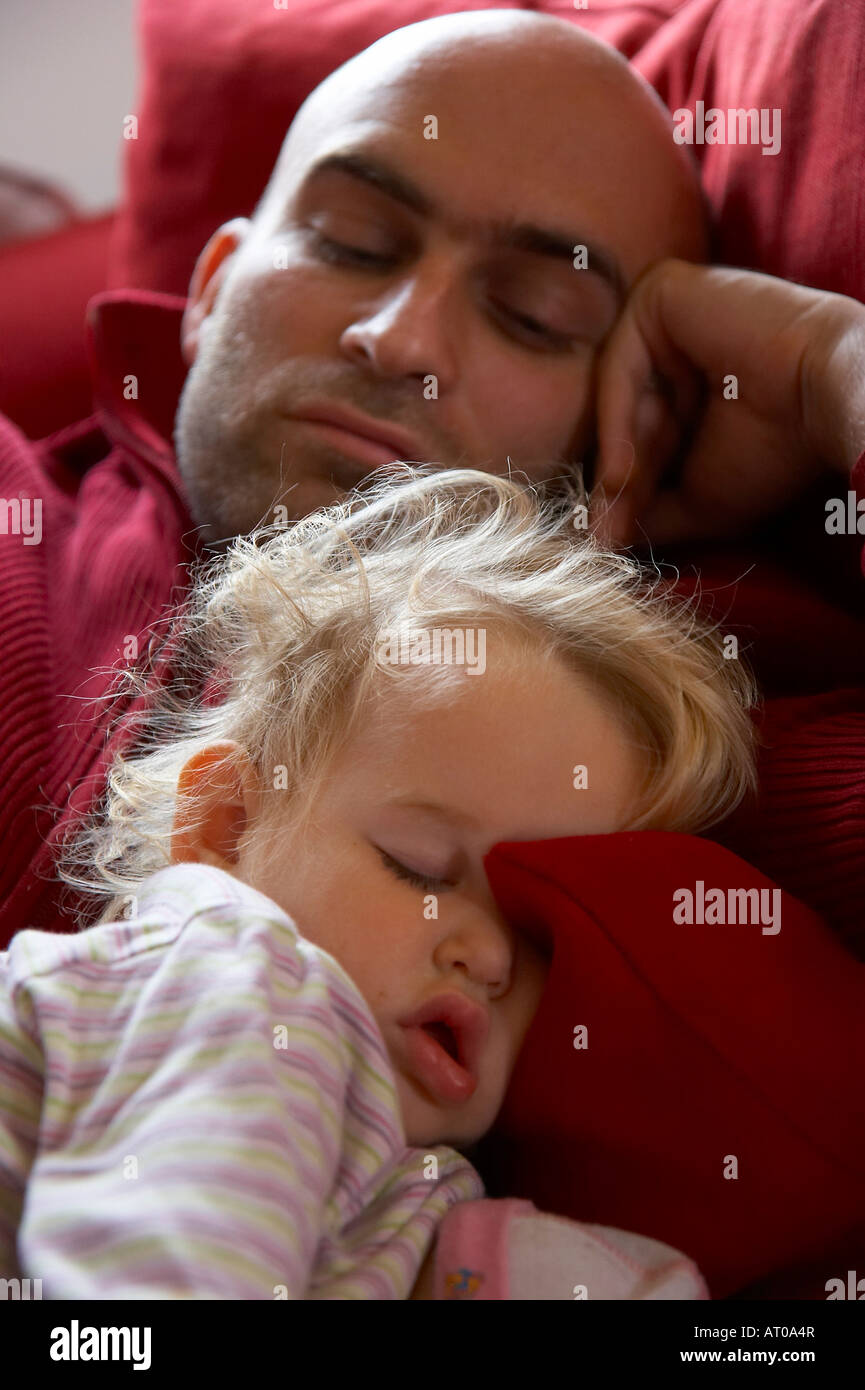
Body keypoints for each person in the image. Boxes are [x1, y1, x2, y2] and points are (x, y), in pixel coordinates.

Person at [1, 10, 863, 951]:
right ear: (211, 290)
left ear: (640, 418)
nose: (403, 339)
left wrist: (833, 364)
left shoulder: (693, 724)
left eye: (531, 315)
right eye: (353, 244)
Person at [0, 467, 755, 1298]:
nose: (488, 956)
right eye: (419, 867)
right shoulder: (239, 976)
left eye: (540, 934)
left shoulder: (413, 1187)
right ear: (227, 828)